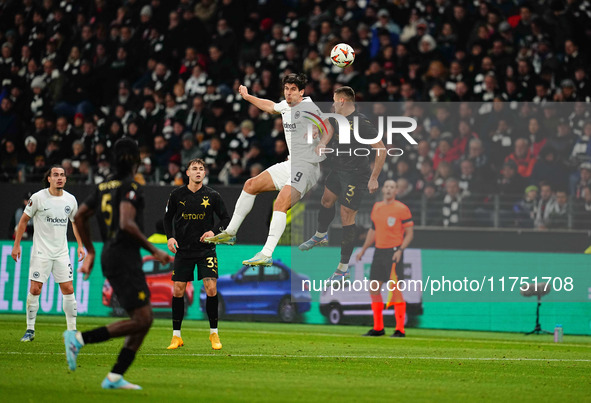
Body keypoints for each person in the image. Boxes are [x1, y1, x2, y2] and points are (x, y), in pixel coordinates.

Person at [63, 138, 171, 390]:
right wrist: (156, 251)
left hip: (111, 255)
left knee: (143, 319)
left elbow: (79, 216)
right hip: (124, 256)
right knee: (143, 319)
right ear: (136, 160)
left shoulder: (103, 187)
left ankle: (114, 377)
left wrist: (90, 251)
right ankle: (79, 338)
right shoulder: (131, 186)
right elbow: (126, 223)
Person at [204, 74, 332, 266]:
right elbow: (270, 106)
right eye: (286, 88)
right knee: (250, 185)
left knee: (280, 203)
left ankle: (266, 253)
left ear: (302, 92)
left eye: (293, 89)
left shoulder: (309, 108)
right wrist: (248, 97)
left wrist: (321, 141)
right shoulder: (286, 106)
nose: (289, 93)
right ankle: (230, 232)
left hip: (307, 167)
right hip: (292, 164)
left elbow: (328, 126)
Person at [298, 86, 386, 282]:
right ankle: (321, 235)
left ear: (343, 102)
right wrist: (320, 140)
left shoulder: (361, 123)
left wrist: (374, 177)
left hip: (356, 175)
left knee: (347, 216)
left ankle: (343, 269)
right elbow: (327, 127)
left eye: (334, 100)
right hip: (338, 169)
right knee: (326, 200)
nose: (332, 104)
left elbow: (381, 149)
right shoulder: (336, 118)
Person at [11, 166, 85, 342]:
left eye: (62, 175)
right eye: (55, 175)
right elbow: (23, 221)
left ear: (65, 179)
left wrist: (81, 245)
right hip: (41, 252)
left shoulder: (71, 200)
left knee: (68, 289)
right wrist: (16, 245)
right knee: (35, 288)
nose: (59, 178)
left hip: (62, 253)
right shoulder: (38, 198)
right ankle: (30, 329)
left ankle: (72, 331)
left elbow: (75, 223)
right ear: (49, 179)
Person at [163, 158, 230, 350]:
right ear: (188, 173)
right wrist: (170, 238)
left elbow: (225, 217)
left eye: (201, 169)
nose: (198, 171)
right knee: (178, 290)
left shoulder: (213, 195)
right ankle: (176, 336)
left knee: (211, 288)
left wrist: (214, 232)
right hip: (183, 250)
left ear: (205, 173)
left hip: (205, 250)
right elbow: (167, 218)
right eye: (194, 169)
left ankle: (214, 334)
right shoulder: (176, 195)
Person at [356, 180, 414, 337]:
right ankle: (378, 328)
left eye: (392, 187)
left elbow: (409, 233)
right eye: (386, 186)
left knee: (395, 290)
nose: (389, 189)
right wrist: (363, 250)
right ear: (383, 190)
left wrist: (401, 250)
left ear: (396, 191)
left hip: (394, 251)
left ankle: (400, 329)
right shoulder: (377, 207)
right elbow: (373, 231)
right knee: (374, 288)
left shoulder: (402, 209)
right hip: (379, 252)